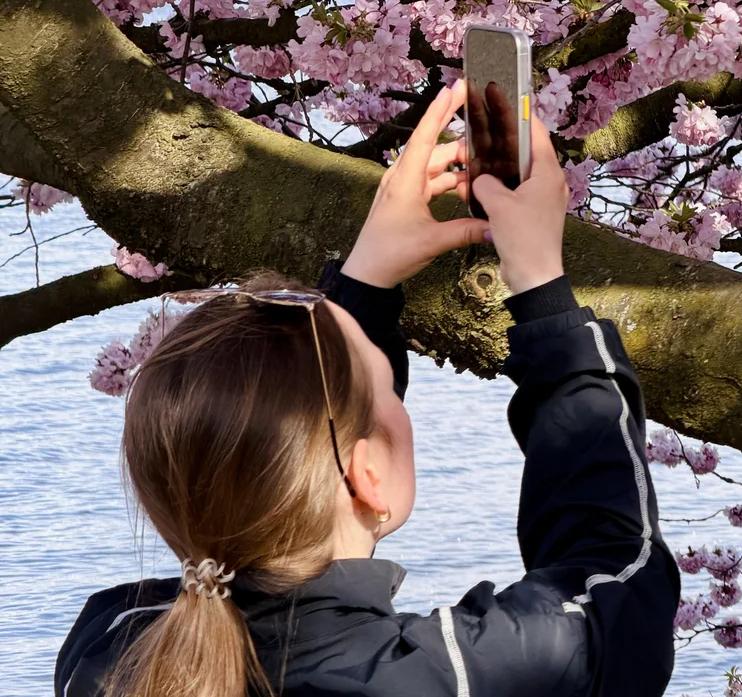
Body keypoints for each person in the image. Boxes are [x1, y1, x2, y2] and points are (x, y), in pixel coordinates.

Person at [54, 81, 680, 697]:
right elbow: (618, 584)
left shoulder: (107, 650)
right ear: (366, 474)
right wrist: (542, 287)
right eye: (385, 381)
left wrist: (367, 280)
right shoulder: (442, 677)